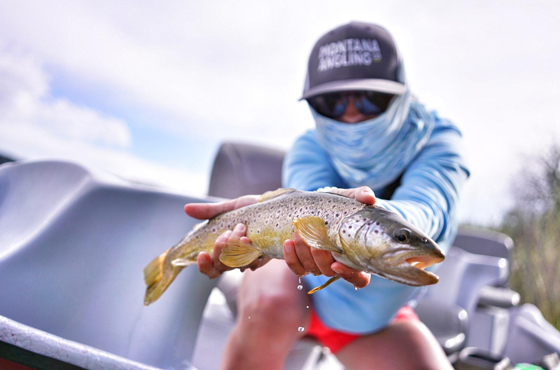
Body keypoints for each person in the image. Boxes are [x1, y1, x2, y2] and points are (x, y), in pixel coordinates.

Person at [186, 21, 469, 370]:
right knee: (270, 305)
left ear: (402, 94)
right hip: (292, 279)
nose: (350, 114)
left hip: (371, 316)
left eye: (371, 98)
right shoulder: (307, 147)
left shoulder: (439, 142)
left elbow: (430, 205)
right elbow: (306, 209)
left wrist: (387, 226)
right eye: (331, 102)